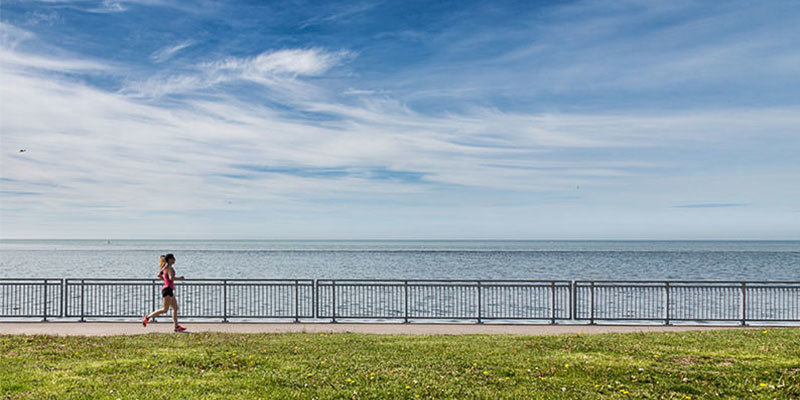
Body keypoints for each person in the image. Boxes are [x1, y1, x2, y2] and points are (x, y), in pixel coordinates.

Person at [143, 253, 187, 332]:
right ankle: (147, 317)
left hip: (168, 289)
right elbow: (171, 278)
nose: (174, 259)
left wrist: (166, 281)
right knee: (164, 310)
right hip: (167, 290)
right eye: (173, 258)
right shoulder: (169, 268)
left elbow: (159, 275)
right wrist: (180, 278)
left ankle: (176, 326)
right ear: (170, 259)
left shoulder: (165, 267)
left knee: (175, 308)